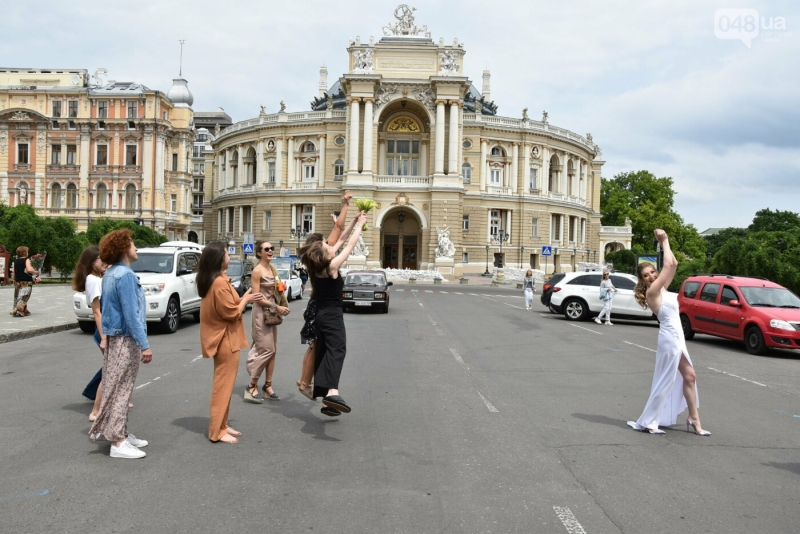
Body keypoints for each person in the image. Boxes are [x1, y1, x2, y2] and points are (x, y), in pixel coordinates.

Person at [627, 229, 711, 436]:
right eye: (646, 276)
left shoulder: (663, 288)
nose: (651, 276)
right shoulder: (652, 292)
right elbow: (670, 264)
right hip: (669, 338)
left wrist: (666, 244)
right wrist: (664, 240)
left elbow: (674, 263)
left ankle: (694, 419)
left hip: (677, 337)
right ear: (643, 280)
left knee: (690, 377)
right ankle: (650, 420)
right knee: (668, 378)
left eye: (652, 272)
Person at [89, 229, 153, 459]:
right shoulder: (124, 275)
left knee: (118, 388)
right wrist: (144, 344)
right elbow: (131, 314)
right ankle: (118, 442)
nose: (136, 247)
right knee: (121, 391)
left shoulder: (111, 273)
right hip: (125, 339)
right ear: (123, 248)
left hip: (117, 338)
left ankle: (122, 433)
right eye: (132, 243)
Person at [299, 210, 367, 415]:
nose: (331, 245)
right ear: (324, 253)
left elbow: (342, 238)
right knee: (337, 350)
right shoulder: (332, 266)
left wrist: (354, 220)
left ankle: (326, 402)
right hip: (332, 317)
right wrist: (360, 225)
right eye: (327, 245)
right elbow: (351, 245)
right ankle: (332, 393)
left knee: (325, 352)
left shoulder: (319, 267)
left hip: (321, 316)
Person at [198, 241, 263, 443]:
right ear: (219, 258)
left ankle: (222, 425)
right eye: (227, 254)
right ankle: (216, 432)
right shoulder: (218, 283)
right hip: (225, 340)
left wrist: (243, 298)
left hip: (228, 338)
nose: (230, 257)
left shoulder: (219, 280)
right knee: (223, 386)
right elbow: (231, 312)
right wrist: (246, 300)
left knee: (226, 385)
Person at [296, 192, 352, 403]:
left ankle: (309, 384)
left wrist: (346, 212)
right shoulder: (323, 256)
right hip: (323, 305)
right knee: (318, 345)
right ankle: (306, 383)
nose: (328, 241)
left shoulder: (314, 259)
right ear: (319, 244)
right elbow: (339, 232)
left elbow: (339, 231)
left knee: (318, 345)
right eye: (324, 241)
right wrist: (346, 206)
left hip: (317, 304)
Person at [244, 240, 290, 403]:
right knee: (266, 349)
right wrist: (277, 307)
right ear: (259, 253)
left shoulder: (272, 269)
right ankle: (251, 385)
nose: (270, 251)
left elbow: (277, 290)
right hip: (262, 313)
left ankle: (267, 386)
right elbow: (257, 297)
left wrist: (280, 303)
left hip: (272, 312)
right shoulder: (257, 271)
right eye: (267, 249)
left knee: (273, 350)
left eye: (272, 248)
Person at [72, 246, 108, 421]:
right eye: (101, 259)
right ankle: (96, 408)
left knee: (111, 365)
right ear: (91, 262)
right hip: (103, 330)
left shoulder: (99, 278)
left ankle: (93, 392)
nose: (104, 262)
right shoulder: (93, 280)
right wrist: (103, 337)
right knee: (112, 367)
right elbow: (96, 312)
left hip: (105, 328)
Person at [10, 246, 39, 317]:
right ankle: (19, 309)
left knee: (18, 296)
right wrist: (35, 272)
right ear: (25, 253)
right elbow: (29, 270)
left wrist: (14, 280)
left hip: (18, 281)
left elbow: (14, 272)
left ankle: (24, 310)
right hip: (26, 281)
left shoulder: (15, 261)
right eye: (27, 251)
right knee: (25, 296)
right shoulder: (27, 260)